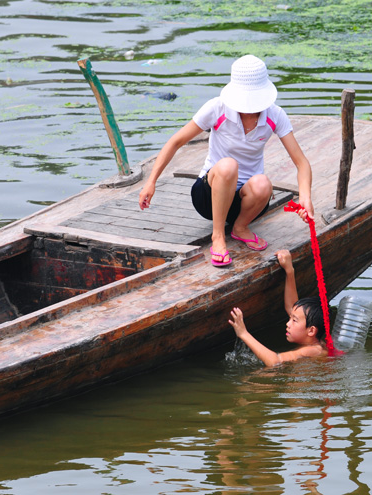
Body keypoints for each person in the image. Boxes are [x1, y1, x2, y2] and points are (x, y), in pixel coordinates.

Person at [138, 55, 314, 267]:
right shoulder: (217, 108)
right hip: (209, 196)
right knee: (229, 165)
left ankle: (240, 227)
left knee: (263, 183)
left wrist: (305, 197)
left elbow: (301, 163)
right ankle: (218, 237)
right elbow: (176, 141)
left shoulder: (275, 115)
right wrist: (151, 181)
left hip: (245, 203)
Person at [228, 249, 328, 366]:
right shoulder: (314, 341)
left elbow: (275, 361)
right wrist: (289, 271)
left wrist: (243, 333)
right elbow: (292, 308)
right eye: (290, 318)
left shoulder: (314, 350)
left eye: (294, 321)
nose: (287, 324)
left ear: (311, 330)